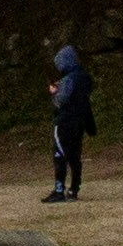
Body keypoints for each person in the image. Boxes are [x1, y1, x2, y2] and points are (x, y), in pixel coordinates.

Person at [48, 43, 97, 200]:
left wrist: (54, 93)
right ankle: (74, 189)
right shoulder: (84, 78)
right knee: (75, 157)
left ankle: (59, 190)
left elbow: (60, 101)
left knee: (59, 156)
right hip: (79, 123)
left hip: (64, 123)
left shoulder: (68, 80)